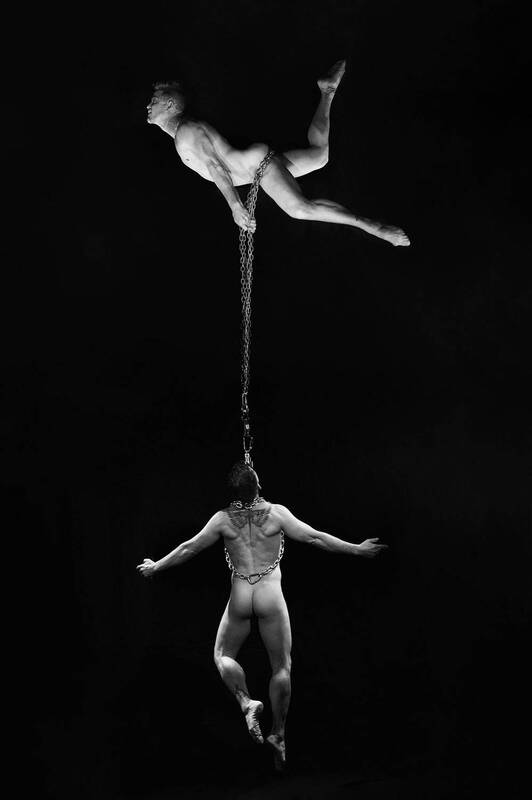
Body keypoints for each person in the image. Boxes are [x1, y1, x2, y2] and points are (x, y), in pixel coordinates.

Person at [137, 462, 388, 770]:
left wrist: (156, 566)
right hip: (270, 593)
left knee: (221, 655)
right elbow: (316, 538)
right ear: (258, 485)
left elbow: (188, 548)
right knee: (281, 666)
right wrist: (357, 549)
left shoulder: (222, 519)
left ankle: (247, 703)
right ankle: (278, 733)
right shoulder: (277, 514)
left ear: (234, 492)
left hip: (241, 594)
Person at [146, 61, 410, 246]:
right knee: (320, 156)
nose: (148, 105)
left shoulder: (185, 133)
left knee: (299, 209)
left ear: (169, 104)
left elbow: (216, 167)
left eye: (154, 101)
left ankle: (373, 227)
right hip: (256, 169)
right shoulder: (183, 131)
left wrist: (235, 206)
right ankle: (327, 91)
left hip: (257, 166)